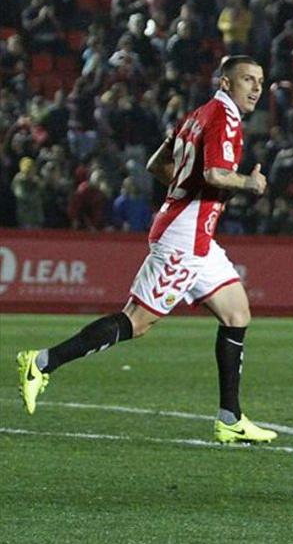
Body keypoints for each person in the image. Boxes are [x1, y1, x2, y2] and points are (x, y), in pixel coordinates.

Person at [16, 56, 277, 445]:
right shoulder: (225, 117)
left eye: (259, 81)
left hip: (195, 236)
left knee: (237, 313)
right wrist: (249, 184)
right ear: (225, 83)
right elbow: (214, 174)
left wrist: (186, 188)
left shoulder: (197, 115)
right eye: (247, 80)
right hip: (184, 239)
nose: (256, 88)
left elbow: (157, 164)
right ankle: (40, 363)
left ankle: (230, 418)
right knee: (135, 322)